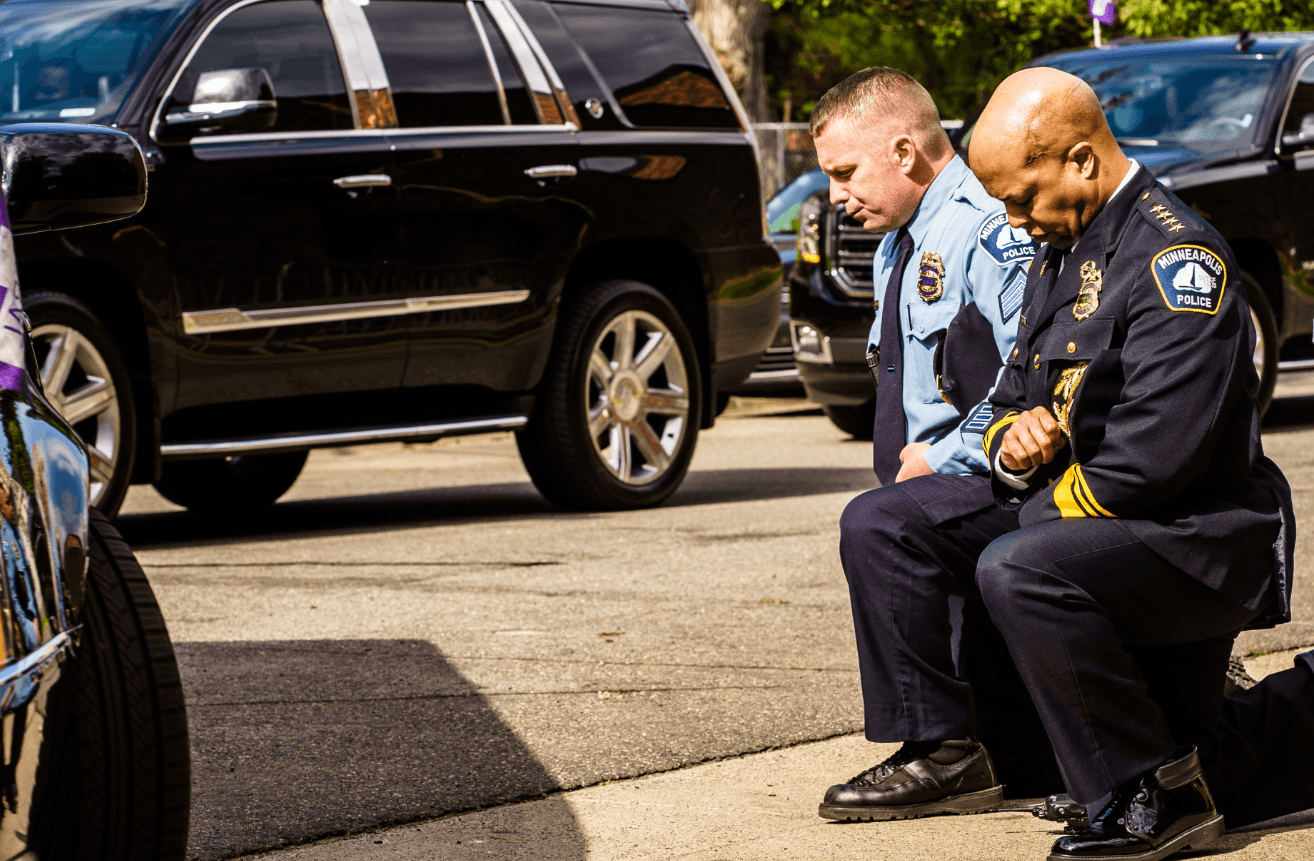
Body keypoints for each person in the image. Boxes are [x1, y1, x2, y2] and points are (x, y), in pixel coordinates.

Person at [823, 65, 1295, 861]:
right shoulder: (1062, 247)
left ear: (1080, 160)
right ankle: (959, 751)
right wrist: (1012, 447)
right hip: (1096, 516)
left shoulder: (1179, 261)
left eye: (1020, 196)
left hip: (1196, 534)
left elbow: (1151, 462)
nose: (1011, 219)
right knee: (886, 520)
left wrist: (1025, 514)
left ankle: (1159, 792)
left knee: (1020, 564)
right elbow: (1013, 394)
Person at [810, 68, 1067, 806]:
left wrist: (947, 453)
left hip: (998, 478)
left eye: (844, 172)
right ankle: (976, 741)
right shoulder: (901, 237)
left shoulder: (984, 226)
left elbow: (1033, 364)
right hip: (935, 489)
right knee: (1019, 744)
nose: (835, 194)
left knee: (876, 526)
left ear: (904, 152)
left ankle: (939, 748)